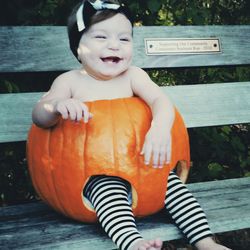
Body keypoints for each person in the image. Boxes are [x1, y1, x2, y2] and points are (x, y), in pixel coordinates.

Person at [31, 1, 232, 250]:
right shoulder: (69, 82)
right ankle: (133, 242)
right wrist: (57, 106)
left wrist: (159, 129)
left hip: (146, 169)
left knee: (175, 189)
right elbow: (40, 115)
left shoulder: (134, 76)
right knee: (109, 193)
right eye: (101, 36)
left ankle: (205, 242)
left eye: (124, 39)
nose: (114, 44)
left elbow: (162, 101)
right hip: (96, 176)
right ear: (78, 46)